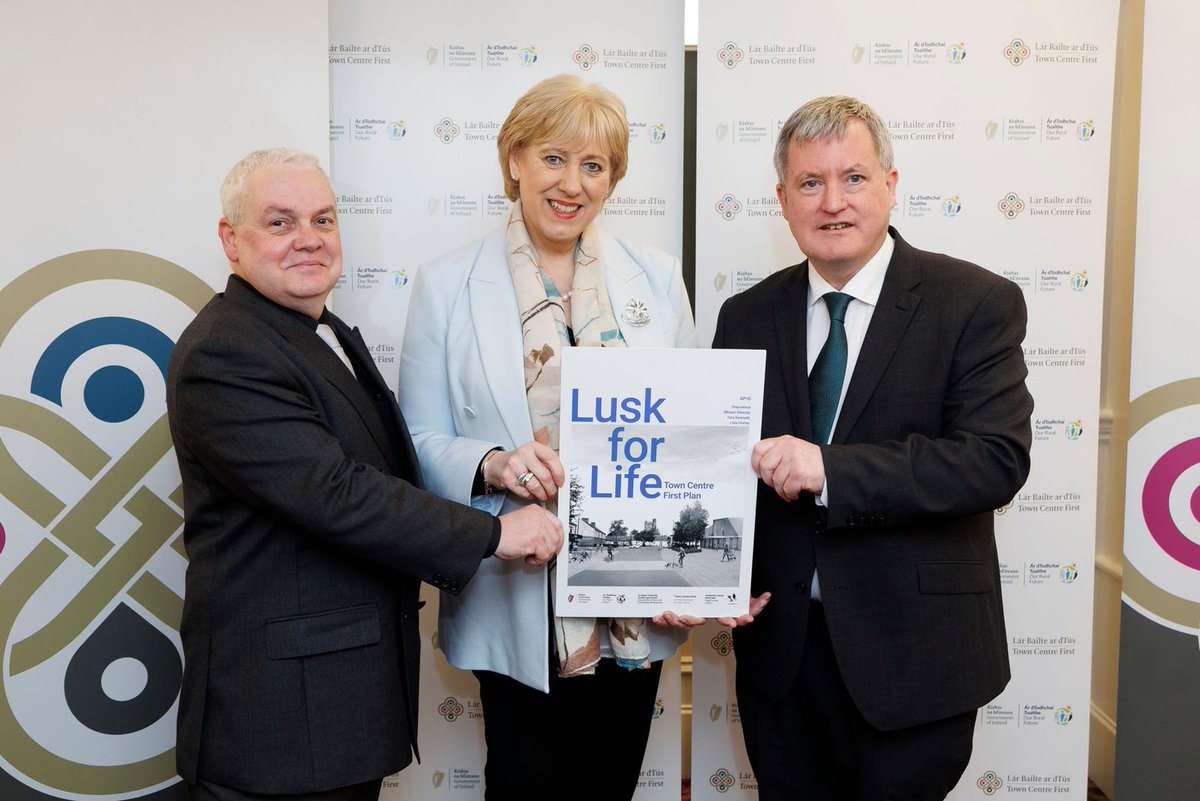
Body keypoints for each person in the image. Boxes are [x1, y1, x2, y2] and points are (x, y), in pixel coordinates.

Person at [166, 148, 562, 801]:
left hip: (333, 706)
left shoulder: (323, 331)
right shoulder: (226, 350)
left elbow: (386, 465)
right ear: (230, 239)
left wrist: (492, 468)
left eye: (323, 219)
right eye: (280, 222)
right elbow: (336, 493)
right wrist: (496, 536)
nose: (309, 239)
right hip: (277, 725)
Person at [713, 96, 1033, 800]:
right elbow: (722, 470)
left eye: (853, 178)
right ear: (782, 198)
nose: (833, 202)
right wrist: (714, 573)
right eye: (809, 183)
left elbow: (993, 459)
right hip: (783, 659)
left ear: (891, 183)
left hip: (916, 657)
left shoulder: (974, 302)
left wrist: (830, 469)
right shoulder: (745, 315)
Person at [398, 75, 699, 801]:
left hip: (632, 597)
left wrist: (687, 572)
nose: (572, 184)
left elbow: (689, 435)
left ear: (613, 180)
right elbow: (414, 436)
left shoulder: (655, 280)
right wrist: (493, 462)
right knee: (524, 782)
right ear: (515, 161)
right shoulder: (447, 284)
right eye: (554, 159)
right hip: (513, 588)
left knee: (609, 784)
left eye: (594, 166)